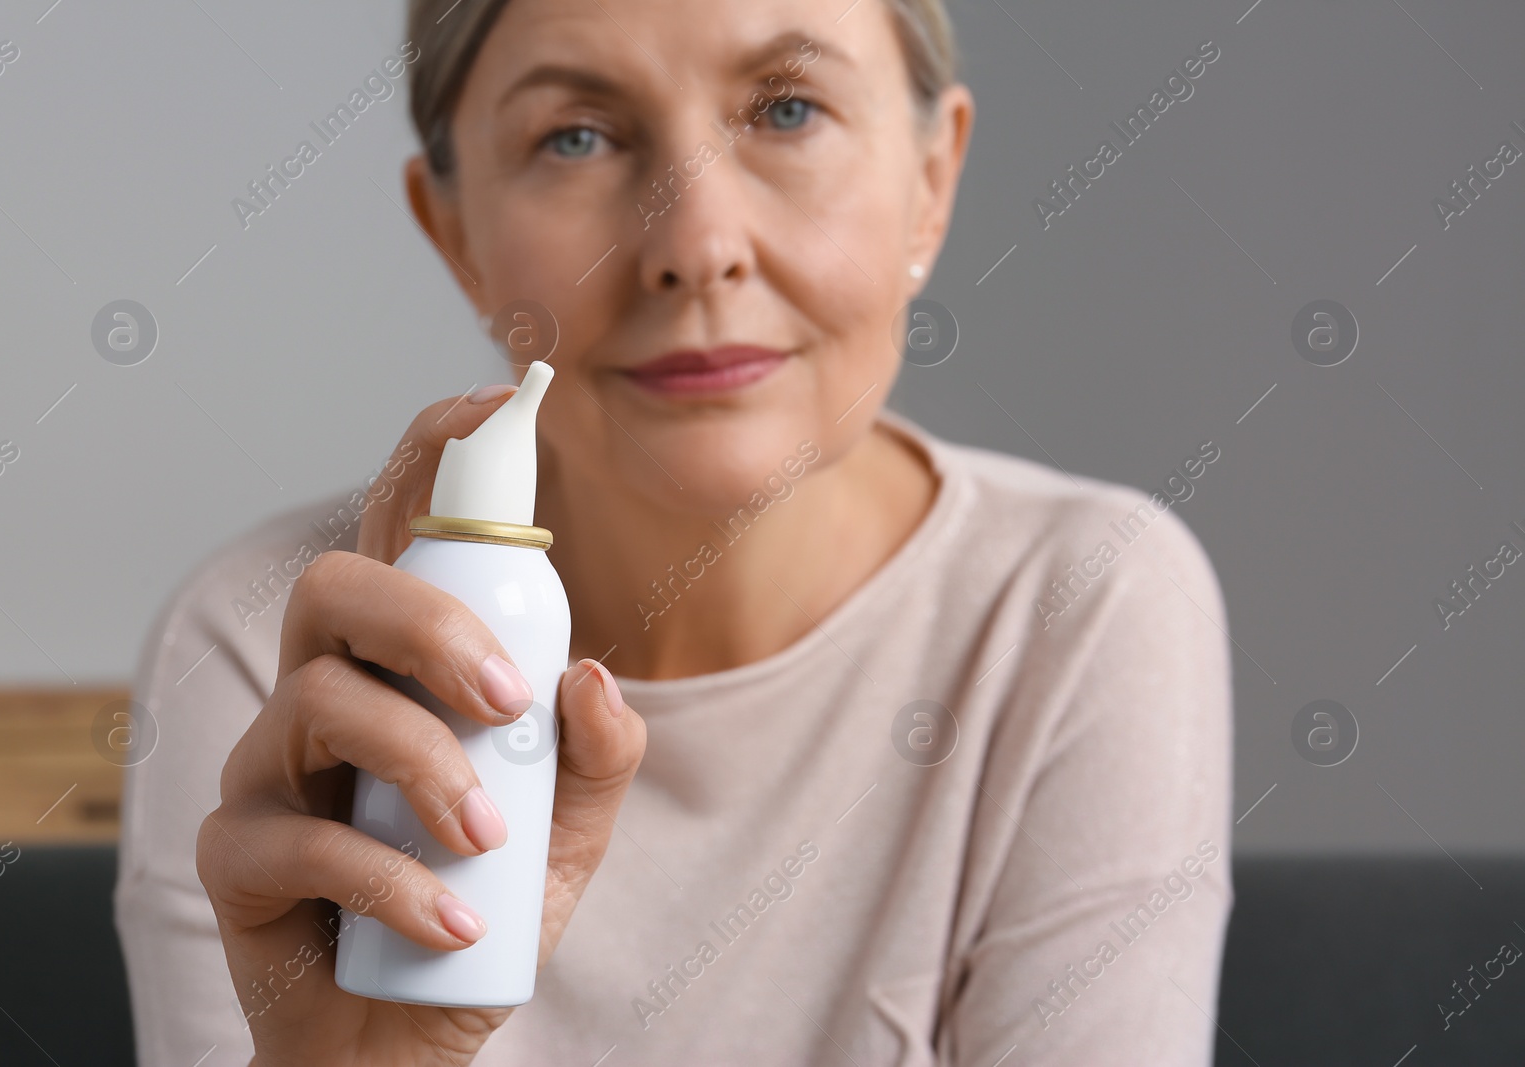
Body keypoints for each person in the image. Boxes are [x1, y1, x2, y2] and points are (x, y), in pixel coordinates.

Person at [115, 0, 1234, 1063]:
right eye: (578, 137)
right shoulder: (266, 645)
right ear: (454, 230)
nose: (697, 245)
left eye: (788, 110)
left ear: (930, 180)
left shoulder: (1084, 603)